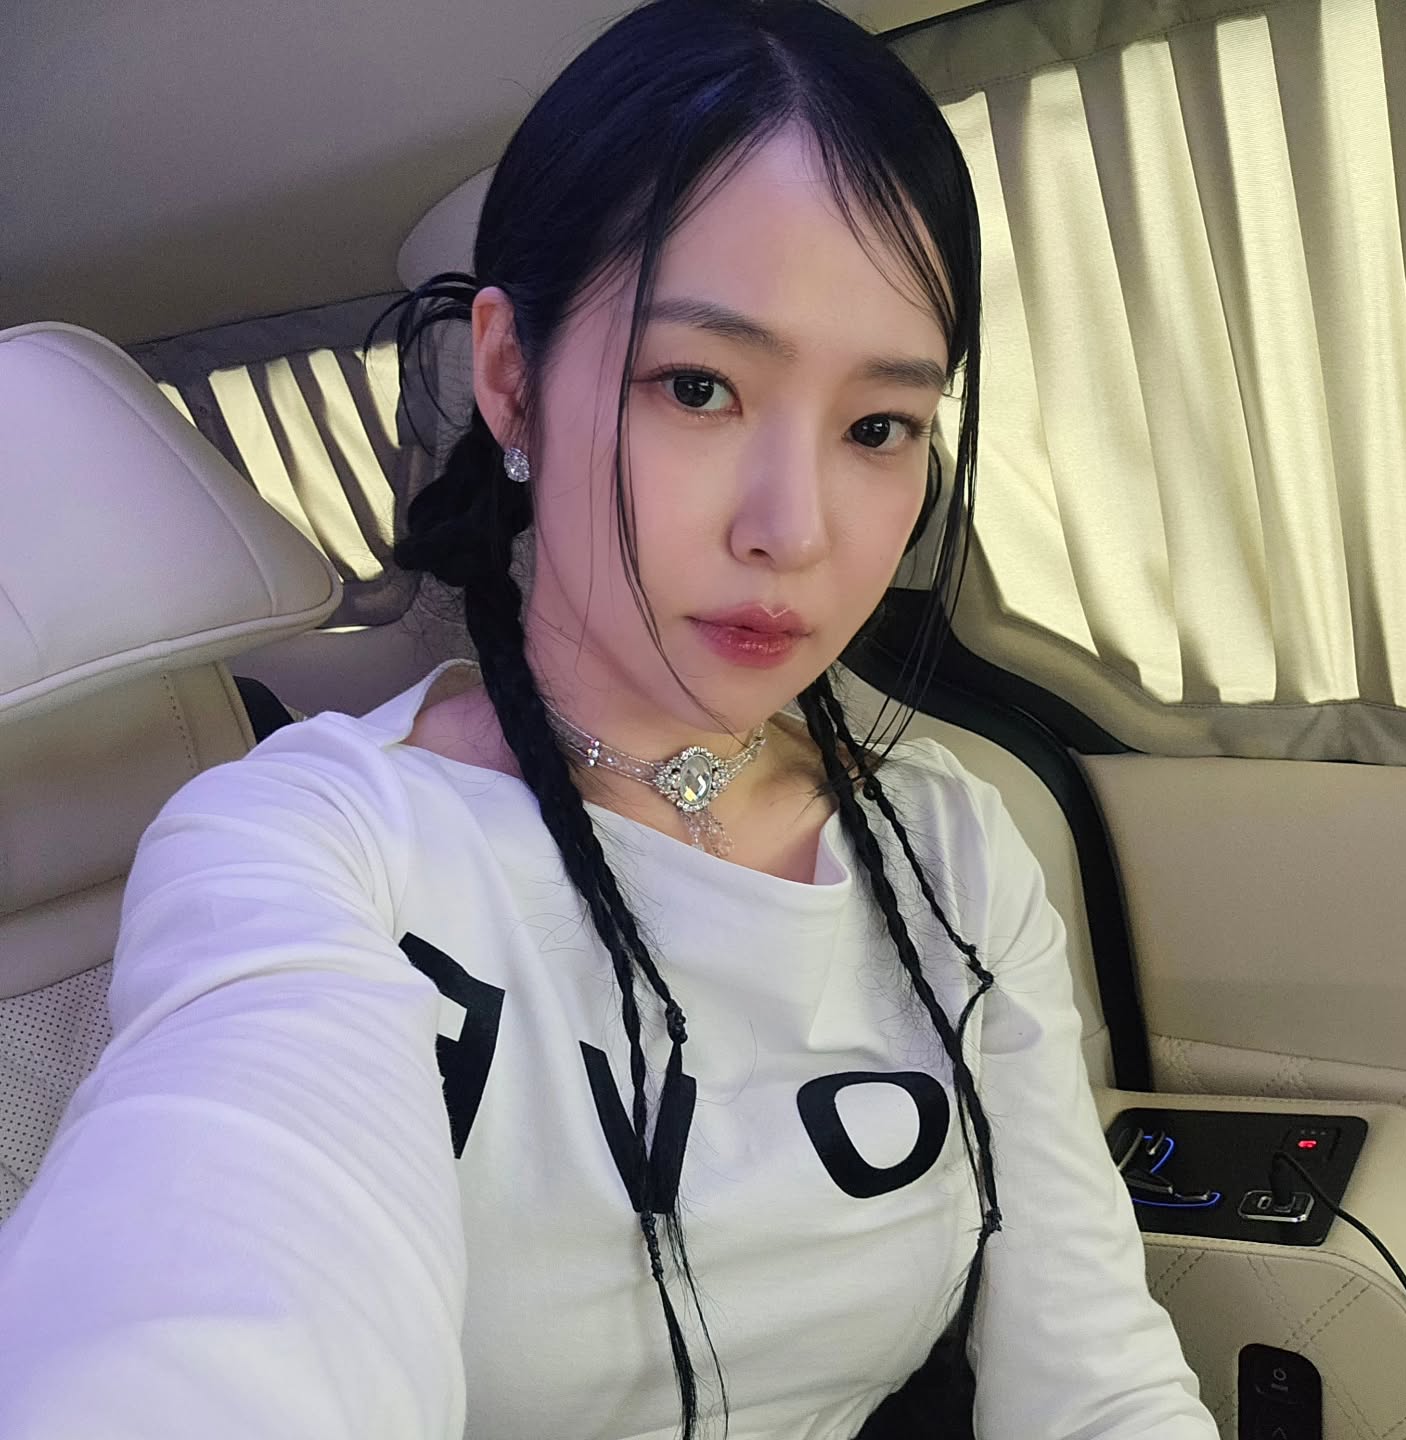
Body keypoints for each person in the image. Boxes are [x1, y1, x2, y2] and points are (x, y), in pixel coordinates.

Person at [0, 0, 1222, 1436]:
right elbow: (222, 1298)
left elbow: (1097, 1378)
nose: (795, 529)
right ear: (512, 379)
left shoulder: (951, 847)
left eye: (877, 427)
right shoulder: (308, 848)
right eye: (699, 387)